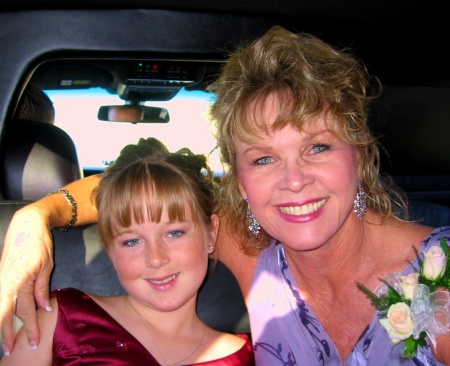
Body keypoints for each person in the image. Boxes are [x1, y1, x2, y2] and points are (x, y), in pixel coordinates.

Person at [1, 25, 449, 365]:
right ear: (238, 181)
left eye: (317, 147)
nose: (294, 181)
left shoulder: (439, 276)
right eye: (263, 159)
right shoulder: (248, 249)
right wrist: (36, 216)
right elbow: (146, 193)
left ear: (360, 151)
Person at [0, 137, 254, 365]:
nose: (155, 258)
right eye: (131, 241)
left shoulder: (248, 356)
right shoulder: (58, 323)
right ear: (110, 250)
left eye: (174, 233)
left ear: (211, 233)